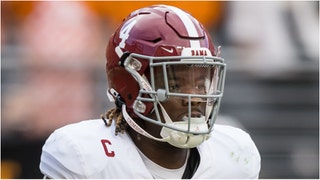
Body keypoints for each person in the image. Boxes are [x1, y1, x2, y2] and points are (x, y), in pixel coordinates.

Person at [39, 4, 261, 178]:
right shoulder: (83, 156)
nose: (194, 98)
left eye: (201, 83)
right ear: (129, 87)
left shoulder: (235, 156)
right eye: (174, 85)